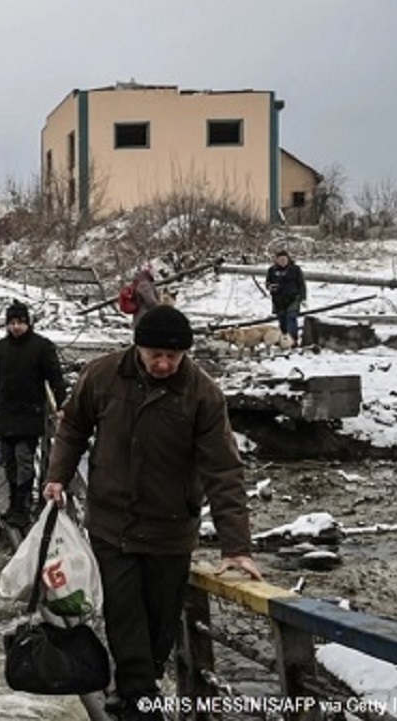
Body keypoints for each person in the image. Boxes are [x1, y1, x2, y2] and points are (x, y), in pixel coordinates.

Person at [42, 305, 263, 721]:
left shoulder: (202, 394)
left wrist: (237, 546)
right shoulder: (103, 375)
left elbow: (223, 471)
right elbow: (72, 427)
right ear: (138, 347)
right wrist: (58, 475)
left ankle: (134, 693)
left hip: (171, 530)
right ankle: (140, 705)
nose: (163, 364)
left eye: (173, 357)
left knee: (160, 631)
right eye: (155, 355)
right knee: (125, 620)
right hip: (112, 526)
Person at [0, 301, 66, 529]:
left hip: (30, 413)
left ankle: (24, 506)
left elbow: (55, 377)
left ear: (28, 323)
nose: (16, 327)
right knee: (9, 462)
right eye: (12, 323)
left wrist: (61, 404)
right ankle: (13, 505)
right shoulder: (0, 348)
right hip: (5, 412)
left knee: (24, 461)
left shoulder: (42, 347)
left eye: (20, 322)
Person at [265, 249, 306, 346]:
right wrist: (270, 286)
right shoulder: (272, 270)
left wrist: (302, 297)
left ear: (288, 259)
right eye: (280, 260)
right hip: (278, 300)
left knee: (291, 318)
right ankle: (283, 340)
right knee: (282, 319)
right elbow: (268, 283)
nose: (282, 262)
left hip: (293, 297)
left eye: (284, 259)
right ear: (277, 260)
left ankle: (293, 340)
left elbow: (301, 284)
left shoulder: (295, 270)